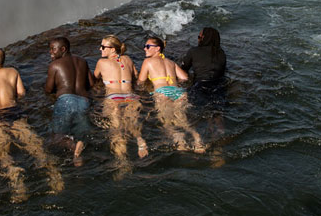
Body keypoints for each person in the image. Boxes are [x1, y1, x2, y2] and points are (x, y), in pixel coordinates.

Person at [0, 47, 62, 202]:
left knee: (2, 152)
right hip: (14, 112)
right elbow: (21, 93)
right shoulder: (13, 72)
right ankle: (54, 175)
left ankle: (17, 179)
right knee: (35, 145)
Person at [137, 36, 205, 153]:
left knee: (167, 122)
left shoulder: (147, 62)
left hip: (162, 92)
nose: (145, 49)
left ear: (157, 48)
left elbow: (140, 82)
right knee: (183, 120)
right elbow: (184, 77)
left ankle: (181, 143)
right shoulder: (171, 62)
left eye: (148, 46)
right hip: (179, 93)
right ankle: (197, 138)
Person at [93, 35, 147, 177]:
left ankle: (122, 162)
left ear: (112, 49)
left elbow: (95, 78)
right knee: (133, 124)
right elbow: (135, 76)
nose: (100, 49)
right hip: (131, 97)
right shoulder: (128, 59)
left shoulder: (101, 62)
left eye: (103, 47)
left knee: (117, 131)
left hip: (113, 97)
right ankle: (140, 141)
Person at [43, 36, 94, 166]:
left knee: (56, 136)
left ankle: (73, 146)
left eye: (53, 49)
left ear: (63, 49)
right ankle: (79, 147)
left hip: (65, 100)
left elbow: (48, 89)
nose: (50, 52)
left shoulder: (54, 65)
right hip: (84, 101)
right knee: (82, 132)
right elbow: (91, 83)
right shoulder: (83, 61)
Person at [178, 27, 228, 137]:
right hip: (218, 85)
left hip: (200, 85)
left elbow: (183, 68)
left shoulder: (194, 51)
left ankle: (210, 132)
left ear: (203, 38)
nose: (198, 39)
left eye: (199, 37)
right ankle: (221, 132)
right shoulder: (221, 53)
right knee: (217, 112)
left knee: (206, 111)